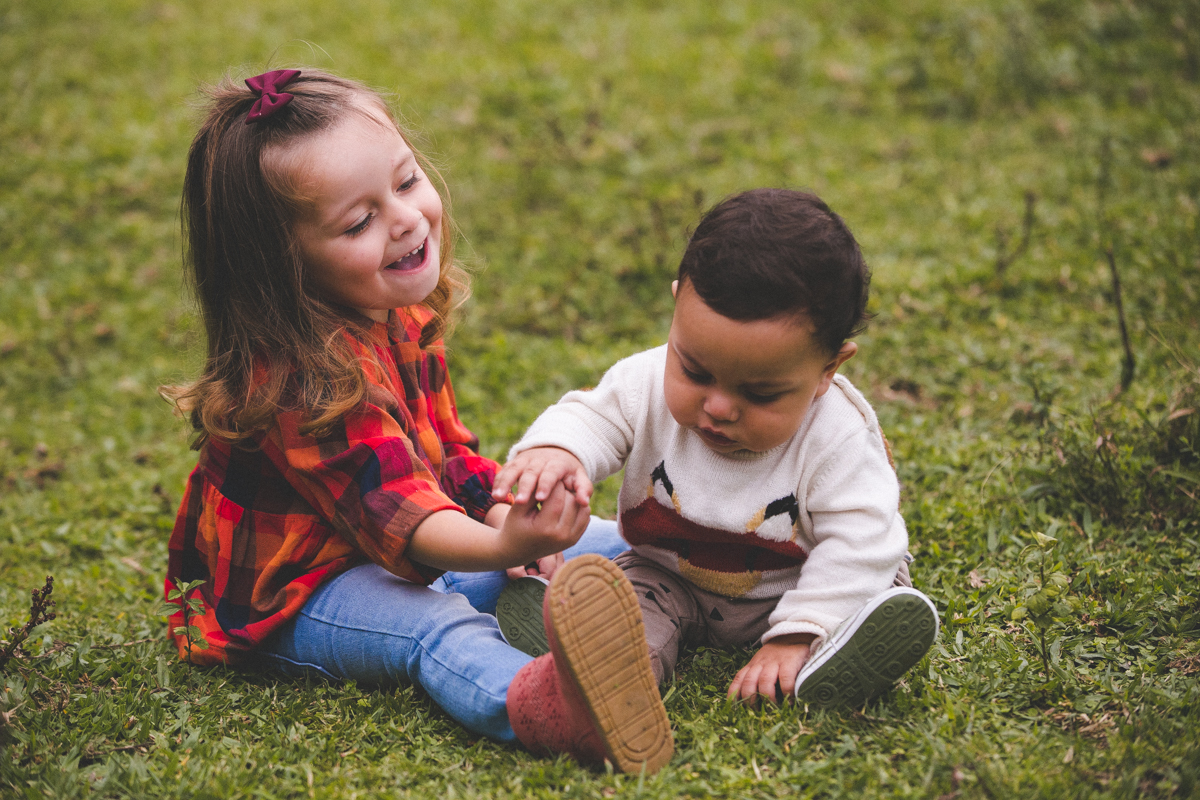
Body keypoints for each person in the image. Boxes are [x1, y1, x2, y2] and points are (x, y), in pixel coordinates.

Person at [160, 67, 671, 773]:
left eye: (404, 183)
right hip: (300, 597)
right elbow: (405, 518)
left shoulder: (397, 314)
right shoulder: (301, 380)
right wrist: (501, 546)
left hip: (405, 559)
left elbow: (445, 462)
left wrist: (503, 515)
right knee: (435, 627)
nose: (403, 219)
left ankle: (772, 578)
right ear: (282, 268)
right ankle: (550, 704)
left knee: (611, 542)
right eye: (359, 221)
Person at [495, 189, 939, 708]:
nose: (720, 407)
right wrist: (557, 452)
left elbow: (861, 540)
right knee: (632, 605)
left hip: (804, 579)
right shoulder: (644, 382)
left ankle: (826, 651)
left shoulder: (836, 434)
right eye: (695, 372)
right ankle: (604, 662)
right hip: (670, 576)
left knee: (869, 584)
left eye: (760, 393)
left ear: (827, 371)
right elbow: (592, 416)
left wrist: (794, 633)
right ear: (677, 303)